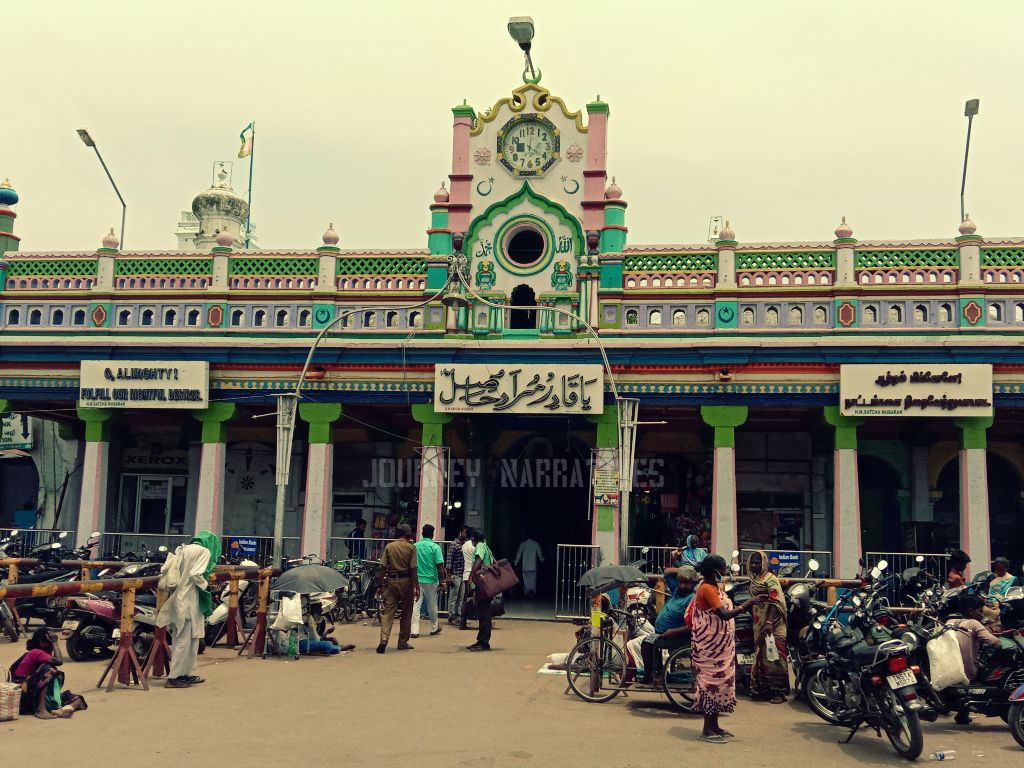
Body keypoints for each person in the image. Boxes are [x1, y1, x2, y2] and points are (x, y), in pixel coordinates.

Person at [690, 554, 767, 744]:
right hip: (711, 647)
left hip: (722, 645)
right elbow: (724, 615)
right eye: (723, 567)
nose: (726, 571)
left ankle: (715, 726)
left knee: (721, 685)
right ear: (714, 570)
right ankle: (707, 730)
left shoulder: (715, 587)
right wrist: (747, 605)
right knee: (711, 685)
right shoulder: (707, 588)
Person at [156, 530, 220, 689]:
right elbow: (196, 574)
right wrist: (205, 584)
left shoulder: (183, 549)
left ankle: (186, 674)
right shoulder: (204, 551)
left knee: (190, 638)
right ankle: (174, 677)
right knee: (184, 640)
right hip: (189, 598)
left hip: (182, 597)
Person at [633, 566, 699, 684]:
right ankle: (654, 673)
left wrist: (673, 632)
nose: (683, 585)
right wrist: (685, 572)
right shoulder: (677, 591)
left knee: (647, 643)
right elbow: (667, 572)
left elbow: (693, 625)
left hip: (678, 636)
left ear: (693, 583)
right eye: (681, 582)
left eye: (687, 583)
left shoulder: (691, 598)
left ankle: (655, 675)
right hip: (663, 633)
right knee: (649, 643)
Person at [10, 628, 87, 719]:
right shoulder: (36, 652)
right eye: (51, 640)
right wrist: (55, 643)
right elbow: (59, 661)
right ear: (42, 643)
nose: (53, 643)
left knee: (78, 699)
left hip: (34, 695)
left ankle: (64, 710)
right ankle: (40, 709)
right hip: (24, 697)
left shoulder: (44, 653)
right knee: (49, 669)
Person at [746, 550, 790, 703]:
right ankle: (763, 689)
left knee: (775, 658)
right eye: (752, 562)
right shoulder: (755, 578)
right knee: (761, 657)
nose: (754, 565)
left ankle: (780, 692)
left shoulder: (771, 579)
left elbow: (775, 601)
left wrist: (769, 622)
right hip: (759, 622)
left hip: (774, 624)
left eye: (757, 562)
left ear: (764, 563)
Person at [376, 524, 419, 654]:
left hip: (391, 580)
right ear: (408, 535)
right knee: (406, 612)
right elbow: (413, 568)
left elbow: (383, 567)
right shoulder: (411, 548)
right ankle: (402, 642)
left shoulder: (390, 546)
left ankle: (384, 639)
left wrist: (380, 585)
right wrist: (416, 586)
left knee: (388, 611)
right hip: (406, 581)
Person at [411, 524, 447, 639]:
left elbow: (411, 564)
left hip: (417, 580)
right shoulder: (435, 547)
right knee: (432, 605)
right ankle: (434, 627)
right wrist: (443, 581)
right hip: (431, 580)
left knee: (415, 605)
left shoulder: (415, 546)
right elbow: (440, 566)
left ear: (422, 534)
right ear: (432, 535)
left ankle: (414, 630)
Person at [466, 529, 494, 651]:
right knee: (483, 612)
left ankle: (484, 642)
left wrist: (470, 577)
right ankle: (480, 640)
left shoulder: (480, 546)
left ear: (473, 538)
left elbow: (478, 561)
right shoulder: (485, 546)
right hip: (486, 583)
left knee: (484, 613)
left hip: (483, 584)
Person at [446, 525, 469, 625]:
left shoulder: (465, 545)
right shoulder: (454, 544)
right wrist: (449, 575)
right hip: (455, 574)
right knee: (453, 597)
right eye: (464, 532)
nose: (466, 535)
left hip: (462, 575)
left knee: (460, 597)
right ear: (460, 532)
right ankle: (451, 617)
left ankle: (458, 616)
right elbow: (449, 561)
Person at [458, 532, 477, 630]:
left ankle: (463, 620)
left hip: (466, 574)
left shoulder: (464, 545)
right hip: (473, 575)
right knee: (472, 598)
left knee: (466, 599)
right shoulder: (475, 547)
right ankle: (465, 620)